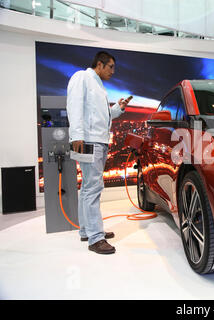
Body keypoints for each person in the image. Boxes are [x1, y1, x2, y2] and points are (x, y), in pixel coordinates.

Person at [66, 51, 131, 254]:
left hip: (98, 141)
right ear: (100, 65)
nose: (113, 71)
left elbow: (101, 116)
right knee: (93, 187)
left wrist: (118, 108)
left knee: (88, 187)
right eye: (110, 66)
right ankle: (96, 238)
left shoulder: (99, 87)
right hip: (89, 141)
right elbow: (74, 106)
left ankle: (87, 230)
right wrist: (76, 135)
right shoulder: (82, 78)